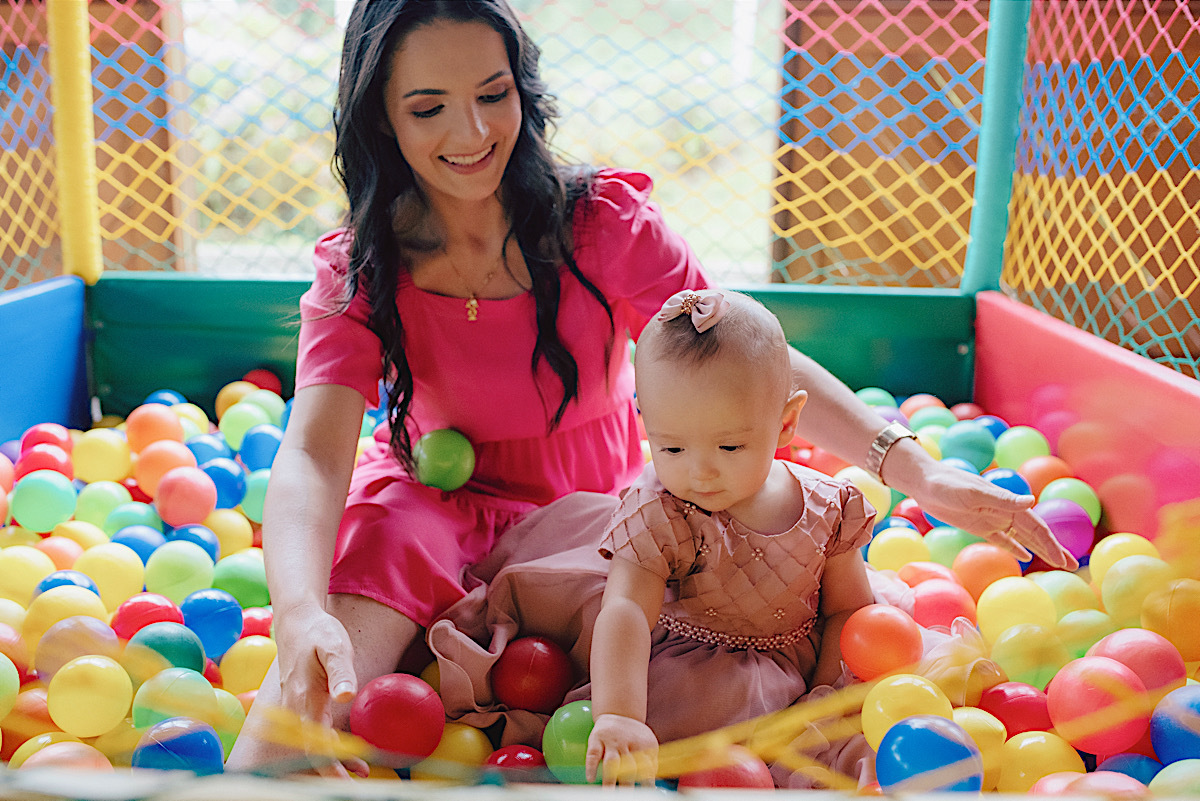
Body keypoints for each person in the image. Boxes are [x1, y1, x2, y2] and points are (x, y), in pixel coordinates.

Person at [227, 0, 1076, 777]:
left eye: (493, 94)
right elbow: (314, 453)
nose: (472, 131)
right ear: (380, 115)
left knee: (730, 655)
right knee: (297, 713)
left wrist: (916, 470)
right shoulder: (362, 266)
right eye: (428, 108)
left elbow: (750, 361)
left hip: (588, 507)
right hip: (426, 504)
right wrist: (298, 608)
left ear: (522, 88)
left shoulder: (598, 224)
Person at [583, 289, 876, 788]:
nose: (700, 471)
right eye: (672, 448)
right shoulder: (662, 511)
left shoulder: (830, 508)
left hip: (798, 662)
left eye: (730, 446)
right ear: (645, 421)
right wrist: (621, 714)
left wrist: (824, 700)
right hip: (692, 674)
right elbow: (626, 608)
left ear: (786, 422)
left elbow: (847, 609)